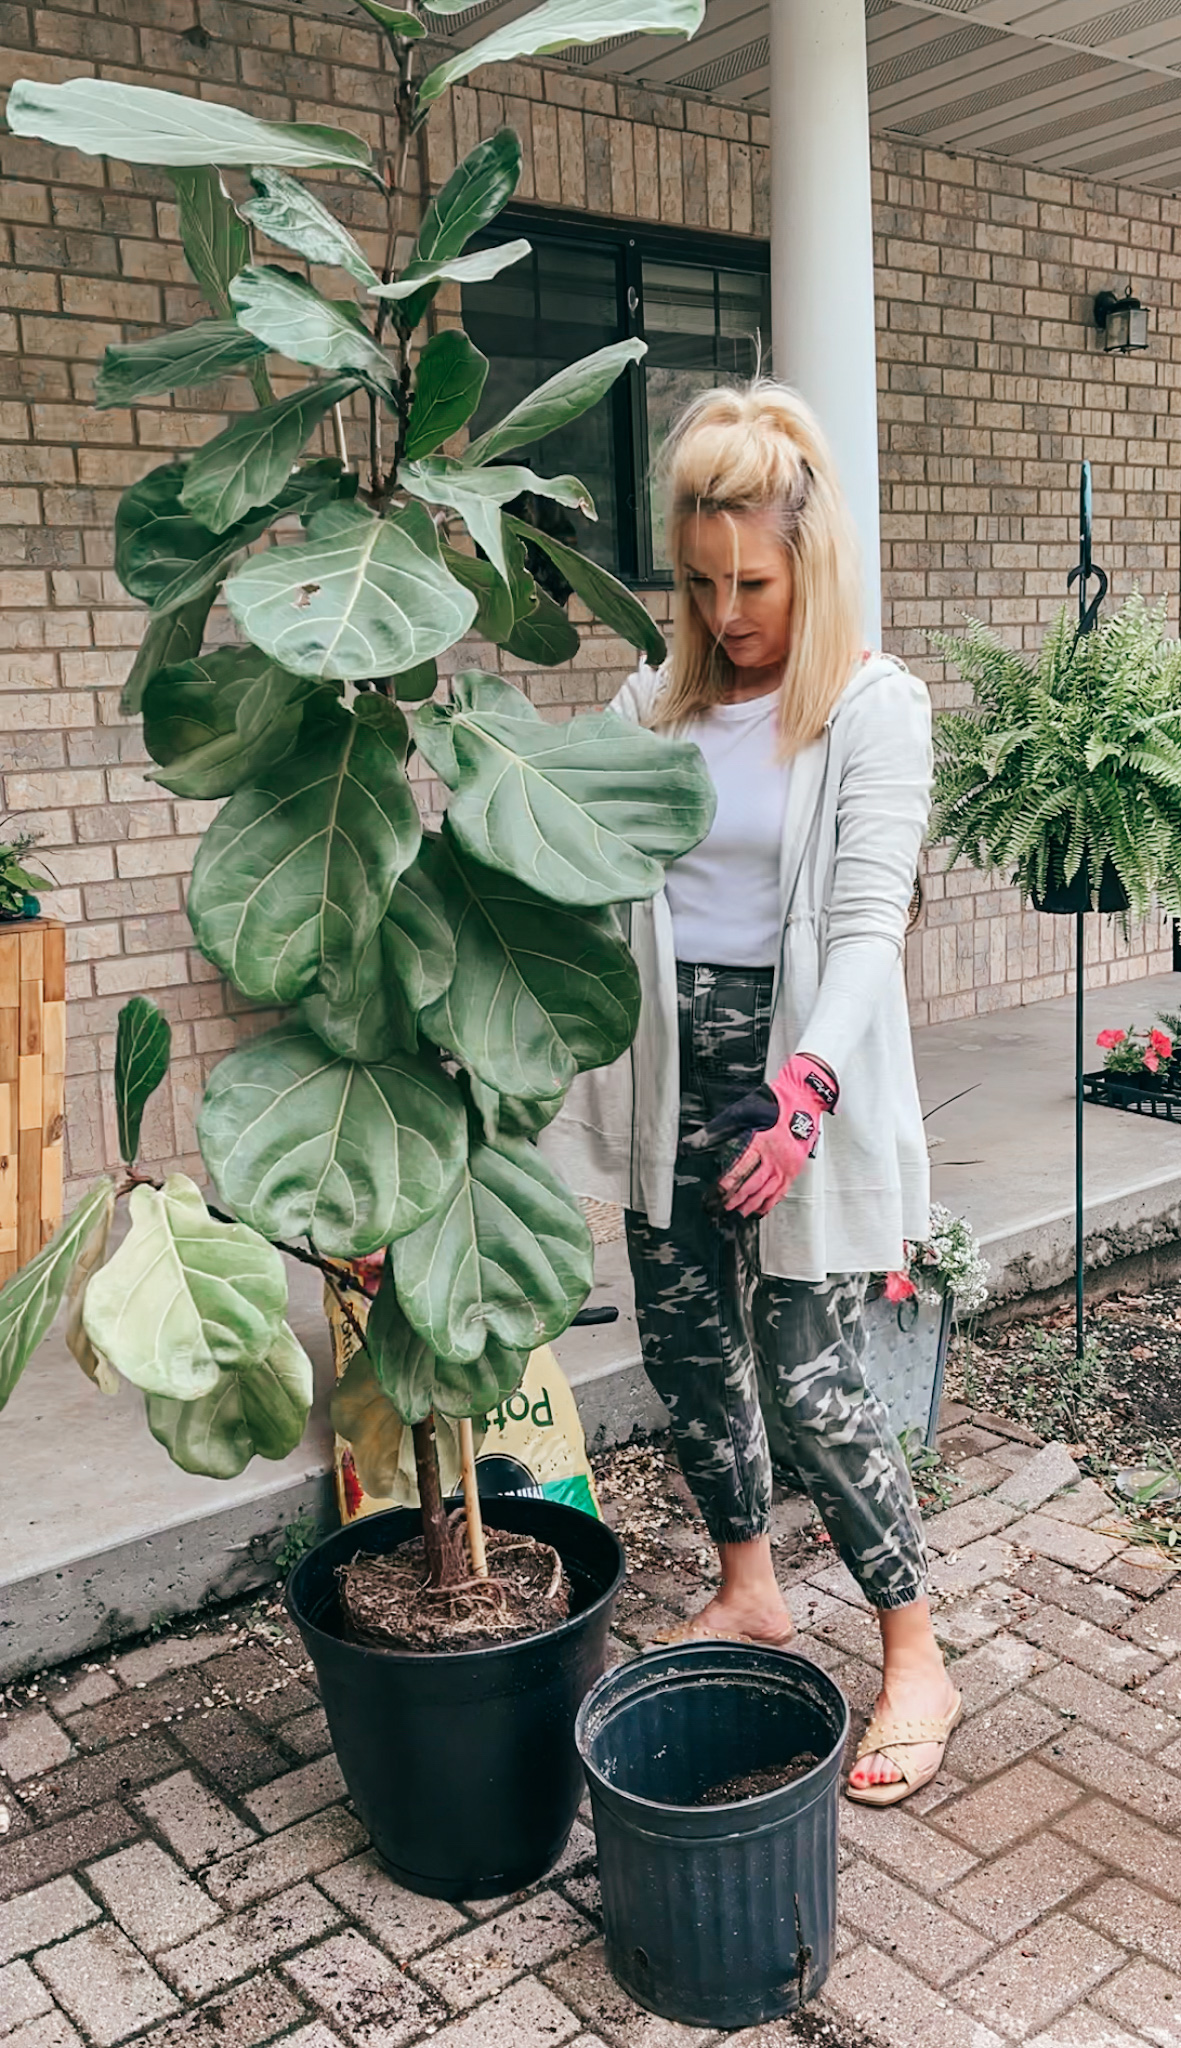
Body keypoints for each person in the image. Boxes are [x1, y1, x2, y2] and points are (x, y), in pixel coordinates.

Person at [547, 381, 961, 1806]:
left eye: (756, 583)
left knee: (812, 1380)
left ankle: (913, 1648)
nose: (729, 614)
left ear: (812, 561)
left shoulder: (868, 707)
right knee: (686, 1350)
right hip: (667, 1070)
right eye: (703, 581)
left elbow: (862, 925)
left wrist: (801, 1094)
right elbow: (592, 887)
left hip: (797, 1077)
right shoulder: (642, 705)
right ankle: (748, 1589)